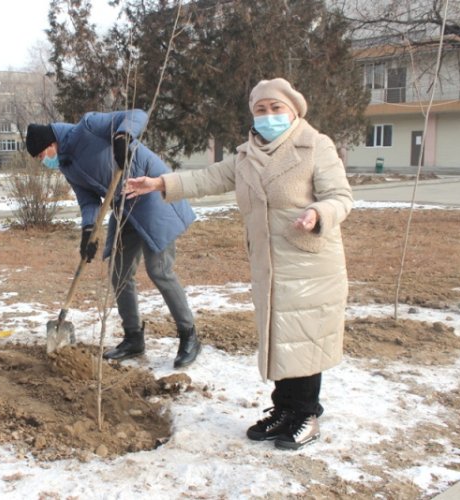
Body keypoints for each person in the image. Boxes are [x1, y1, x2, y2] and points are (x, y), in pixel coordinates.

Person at [124, 78, 353, 450]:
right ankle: (285, 411)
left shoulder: (316, 146)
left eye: (276, 108)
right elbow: (209, 177)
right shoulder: (247, 155)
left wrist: (317, 212)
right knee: (280, 337)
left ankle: (306, 416)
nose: (268, 115)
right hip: (269, 264)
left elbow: (341, 197)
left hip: (310, 261)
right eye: (261, 109)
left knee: (306, 338)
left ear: (293, 110)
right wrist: (160, 183)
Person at [25, 109, 201, 369]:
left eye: (42, 154)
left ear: (51, 144)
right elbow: (87, 201)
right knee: (118, 272)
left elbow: (137, 114)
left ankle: (189, 336)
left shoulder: (88, 127)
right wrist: (88, 231)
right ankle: (133, 338)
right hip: (123, 206)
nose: (43, 160)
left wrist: (122, 137)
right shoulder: (67, 165)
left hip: (151, 193)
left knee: (159, 270)